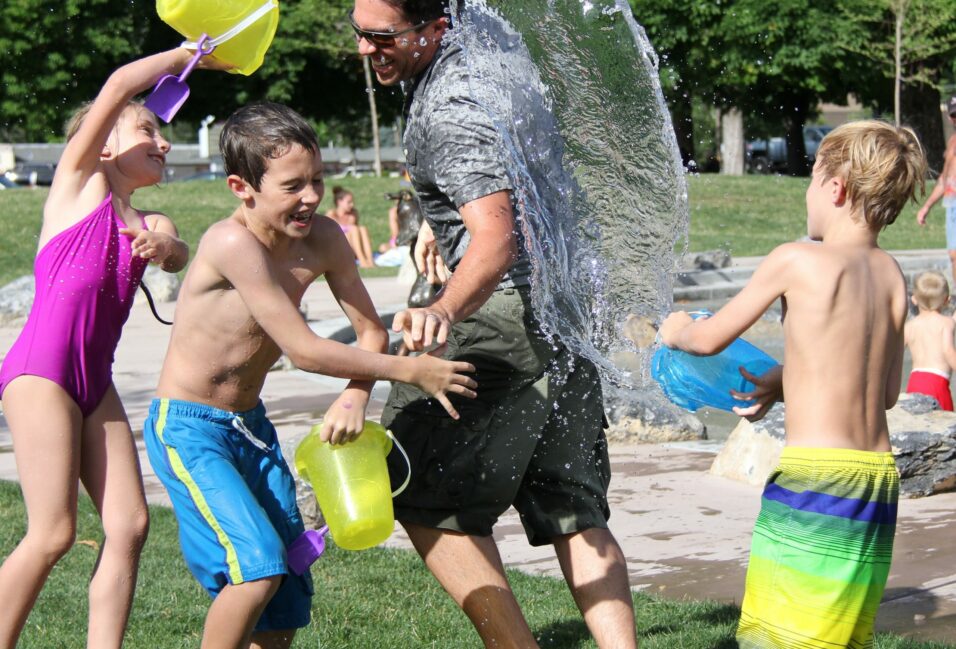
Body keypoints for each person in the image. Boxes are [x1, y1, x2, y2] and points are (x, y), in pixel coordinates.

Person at [351, 2, 638, 647]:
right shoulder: (492, 54)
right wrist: (438, 217)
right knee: (571, 503)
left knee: (419, 490)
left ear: (433, 30)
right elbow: (512, 177)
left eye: (381, 36)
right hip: (566, 310)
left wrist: (444, 307)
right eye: (359, 33)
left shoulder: (449, 109)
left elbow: (496, 236)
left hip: (498, 313)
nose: (367, 48)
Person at [142, 101, 477, 649]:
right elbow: (302, 350)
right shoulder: (231, 244)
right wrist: (409, 371)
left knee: (288, 589)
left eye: (318, 180)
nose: (312, 197)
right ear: (241, 187)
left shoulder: (322, 238)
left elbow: (370, 329)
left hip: (250, 427)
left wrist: (356, 395)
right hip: (189, 429)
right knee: (256, 567)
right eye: (293, 185)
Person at [659, 120, 927, 648]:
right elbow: (885, 390)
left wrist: (679, 331)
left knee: (781, 635)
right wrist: (784, 381)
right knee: (838, 635)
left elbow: (711, 339)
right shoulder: (893, 275)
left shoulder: (796, 258)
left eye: (810, 178)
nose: (807, 192)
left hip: (816, 481)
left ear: (836, 188)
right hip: (876, 481)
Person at [0, 48, 208, 648]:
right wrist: (188, 54)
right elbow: (119, 84)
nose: (163, 143)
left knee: (130, 524)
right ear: (106, 145)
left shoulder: (150, 219)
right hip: (43, 374)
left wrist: (166, 252)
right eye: (149, 130)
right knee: (54, 533)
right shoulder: (77, 186)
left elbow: (175, 247)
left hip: (95, 382)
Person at [916, 96, 956, 284]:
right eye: (955, 115)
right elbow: (944, 180)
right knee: (954, 256)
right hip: (951, 203)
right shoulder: (952, 143)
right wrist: (927, 207)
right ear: (950, 117)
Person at [904, 270, 956, 410]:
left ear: (914, 299)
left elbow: (893, 353)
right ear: (947, 300)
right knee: (946, 427)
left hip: (914, 382)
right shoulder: (946, 323)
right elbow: (948, 351)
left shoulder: (909, 326)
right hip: (937, 383)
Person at [326, 185, 375, 268]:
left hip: (352, 248)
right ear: (339, 202)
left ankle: (370, 261)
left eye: (352, 202)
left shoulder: (353, 214)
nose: (352, 205)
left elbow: (358, 236)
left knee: (362, 229)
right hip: (338, 247)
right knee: (354, 228)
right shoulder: (331, 214)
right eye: (349, 202)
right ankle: (362, 261)